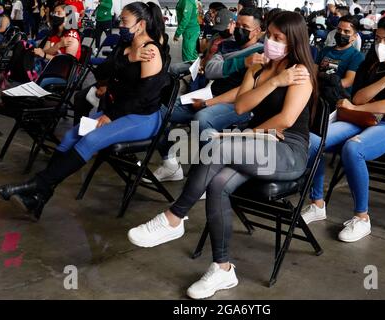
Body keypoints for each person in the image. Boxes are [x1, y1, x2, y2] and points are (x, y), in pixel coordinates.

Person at [128, 10, 317, 300]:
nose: (272, 42)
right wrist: (257, 74)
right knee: (217, 185)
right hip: (259, 144)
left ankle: (174, 217)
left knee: (218, 145)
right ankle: (223, 268)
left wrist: (241, 135)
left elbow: (285, 121)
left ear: (294, 42)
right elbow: (241, 107)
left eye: (279, 39)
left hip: (287, 151)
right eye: (270, 36)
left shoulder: (300, 73)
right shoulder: (265, 68)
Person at [0, 2, 169, 221]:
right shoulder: (127, 46)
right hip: (118, 111)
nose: (120, 25)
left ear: (141, 24)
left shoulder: (150, 50)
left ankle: (36, 186)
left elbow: (144, 96)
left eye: (125, 22)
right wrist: (128, 59)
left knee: (90, 140)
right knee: (71, 136)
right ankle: (40, 195)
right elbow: (101, 71)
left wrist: (111, 115)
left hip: (143, 117)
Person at [302, 14, 385, 243]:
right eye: (378, 39)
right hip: (363, 117)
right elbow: (357, 98)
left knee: (352, 148)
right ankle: (317, 203)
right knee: (314, 141)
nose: (381, 45)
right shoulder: (372, 63)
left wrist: (359, 107)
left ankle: (361, 218)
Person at [150, 7, 265, 183]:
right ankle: (170, 164)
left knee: (203, 119)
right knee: (158, 111)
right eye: (238, 24)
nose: (239, 29)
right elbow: (211, 70)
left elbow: (244, 91)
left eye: (245, 27)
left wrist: (208, 103)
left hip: (236, 104)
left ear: (257, 31)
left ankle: (208, 177)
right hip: (210, 94)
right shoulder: (227, 44)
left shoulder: (261, 54)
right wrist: (241, 62)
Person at [318, 15, 364, 94]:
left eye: (346, 31)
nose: (341, 33)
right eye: (339, 30)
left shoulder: (356, 56)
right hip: (318, 91)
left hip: (338, 96)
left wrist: (328, 86)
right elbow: (314, 71)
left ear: (354, 37)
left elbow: (348, 81)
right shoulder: (325, 50)